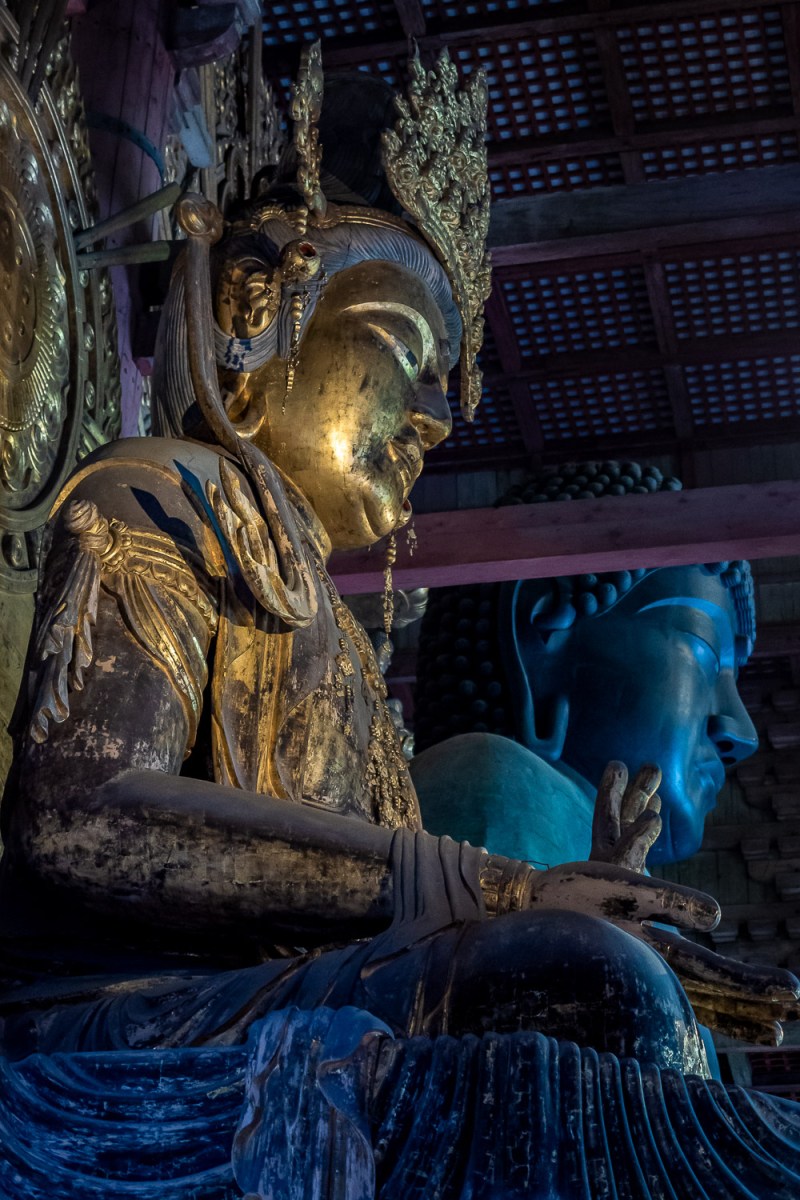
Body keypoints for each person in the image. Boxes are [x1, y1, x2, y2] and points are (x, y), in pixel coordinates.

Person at [0, 48, 792, 1101]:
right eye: (398, 344)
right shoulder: (160, 494)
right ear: (257, 310)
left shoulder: (340, 650)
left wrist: (586, 896)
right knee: (581, 985)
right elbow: (80, 817)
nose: (426, 417)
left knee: (615, 1005)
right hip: (121, 1007)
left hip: (291, 993)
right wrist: (502, 891)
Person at [413, 462, 758, 871]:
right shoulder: (491, 786)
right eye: (706, 654)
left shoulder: (610, 858)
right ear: (540, 651)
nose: (741, 732)